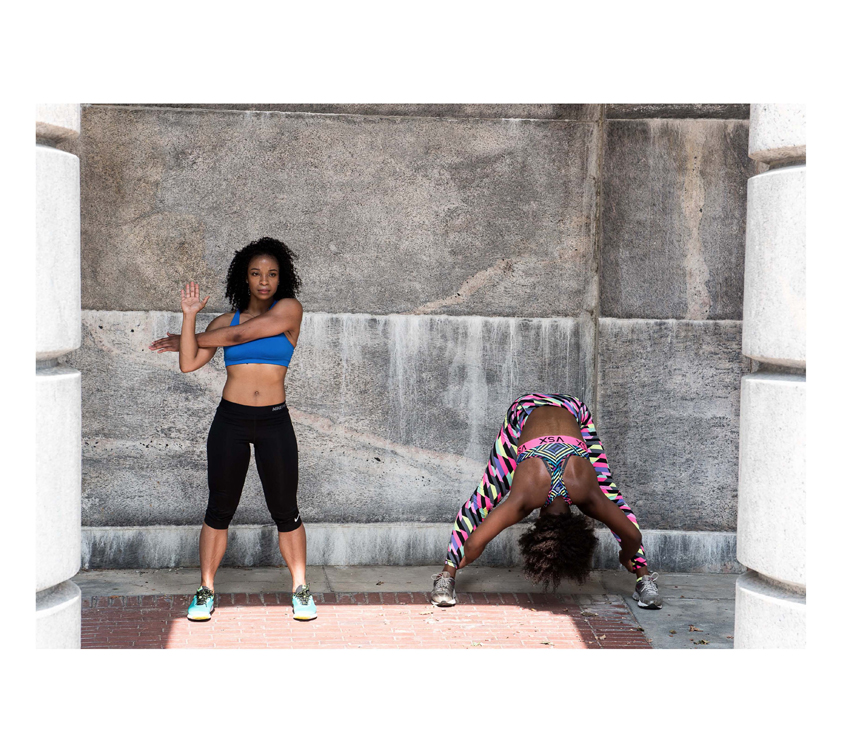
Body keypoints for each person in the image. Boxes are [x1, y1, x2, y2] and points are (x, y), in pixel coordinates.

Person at [149, 237, 317, 622]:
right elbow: (189, 364)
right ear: (245, 277)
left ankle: (301, 589)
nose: (264, 280)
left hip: (275, 420)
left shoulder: (290, 310)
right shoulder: (222, 322)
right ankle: (205, 589)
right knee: (219, 508)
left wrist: (183, 341)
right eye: (257, 273)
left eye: (272, 274)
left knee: (286, 510)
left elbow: (243, 336)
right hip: (232, 420)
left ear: (281, 279)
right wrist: (189, 318)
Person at [430, 393, 662, 610]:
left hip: (572, 407)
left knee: (484, 498)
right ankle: (643, 578)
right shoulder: (526, 500)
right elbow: (472, 546)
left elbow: (633, 537)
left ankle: (447, 575)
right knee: (485, 496)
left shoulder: (586, 496)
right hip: (526, 410)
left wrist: (463, 559)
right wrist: (625, 556)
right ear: (537, 527)